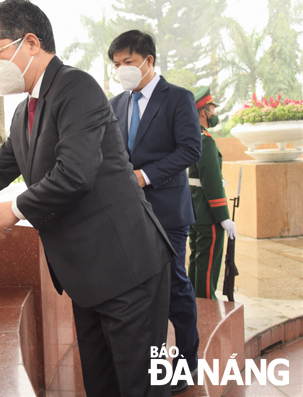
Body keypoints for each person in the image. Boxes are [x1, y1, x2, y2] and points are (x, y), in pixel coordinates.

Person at [0, 0, 175, 397]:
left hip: (126, 266)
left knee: (139, 386)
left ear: (30, 43)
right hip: (87, 276)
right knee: (101, 384)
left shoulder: (76, 88)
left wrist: (17, 208)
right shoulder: (25, 111)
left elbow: (76, 173)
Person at [108, 30, 202, 395]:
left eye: (127, 63)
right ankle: (152, 365)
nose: (121, 70)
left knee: (174, 286)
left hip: (167, 211)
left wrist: (144, 176)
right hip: (128, 216)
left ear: (148, 60)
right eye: (116, 64)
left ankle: (188, 363)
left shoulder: (177, 98)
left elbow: (190, 149)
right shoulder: (116, 104)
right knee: (141, 293)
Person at [188, 87, 237, 300]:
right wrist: (223, 217)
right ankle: (206, 306)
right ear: (203, 112)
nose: (214, 113)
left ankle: (192, 302)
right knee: (207, 265)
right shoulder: (205, 141)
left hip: (192, 210)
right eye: (212, 109)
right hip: (208, 215)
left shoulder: (188, 137)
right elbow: (212, 182)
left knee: (197, 261)